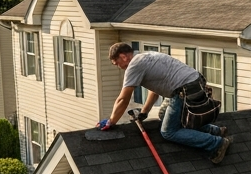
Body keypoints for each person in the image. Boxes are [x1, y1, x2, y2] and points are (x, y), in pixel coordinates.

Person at [98, 43, 232, 164]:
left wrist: (111, 121)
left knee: (169, 131)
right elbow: (154, 91)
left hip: (184, 90)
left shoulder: (134, 65)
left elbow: (123, 99)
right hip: (194, 82)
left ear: (123, 57)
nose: (118, 67)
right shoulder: (146, 56)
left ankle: (217, 143)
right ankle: (216, 131)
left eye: (116, 63)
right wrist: (144, 112)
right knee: (163, 113)